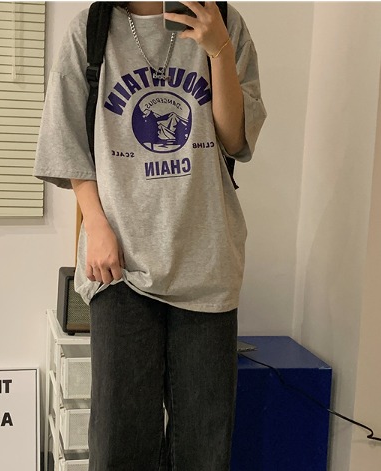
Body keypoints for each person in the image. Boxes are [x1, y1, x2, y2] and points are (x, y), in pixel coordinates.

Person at [34, 2, 266, 470]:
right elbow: (66, 139)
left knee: (203, 446)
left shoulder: (223, 21)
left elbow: (235, 139)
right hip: (119, 266)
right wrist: (95, 224)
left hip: (206, 263)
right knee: (120, 443)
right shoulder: (92, 29)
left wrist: (218, 49)